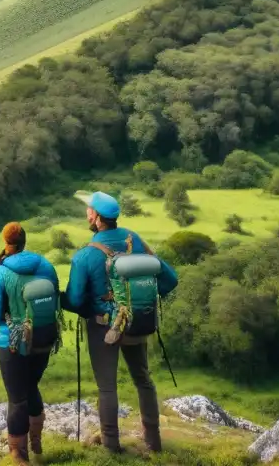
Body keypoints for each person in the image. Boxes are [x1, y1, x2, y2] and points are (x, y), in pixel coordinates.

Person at [62, 191, 179, 454]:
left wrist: (61, 299)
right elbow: (169, 280)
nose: (87, 213)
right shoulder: (134, 240)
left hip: (104, 327)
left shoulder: (85, 256)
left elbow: (76, 300)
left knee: (107, 387)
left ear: (96, 217)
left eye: (88, 210)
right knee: (143, 379)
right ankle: (153, 441)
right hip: (138, 322)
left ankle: (112, 446)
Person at [0, 222, 59, 465]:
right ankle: (37, 443)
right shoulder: (45, 265)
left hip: (11, 343)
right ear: (25, 241)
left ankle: (19, 456)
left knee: (18, 398)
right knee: (31, 386)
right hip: (43, 338)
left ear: (5, 242)